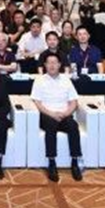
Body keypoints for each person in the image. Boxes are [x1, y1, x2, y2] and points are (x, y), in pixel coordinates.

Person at [30, 53, 84, 182]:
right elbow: (37, 103)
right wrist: (51, 114)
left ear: (60, 65)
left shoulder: (66, 80)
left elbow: (74, 102)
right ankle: (51, 162)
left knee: (73, 126)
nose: (52, 65)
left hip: (64, 114)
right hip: (47, 115)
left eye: (55, 62)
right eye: (49, 62)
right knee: (51, 125)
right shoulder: (39, 80)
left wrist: (66, 113)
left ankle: (75, 162)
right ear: (45, 65)